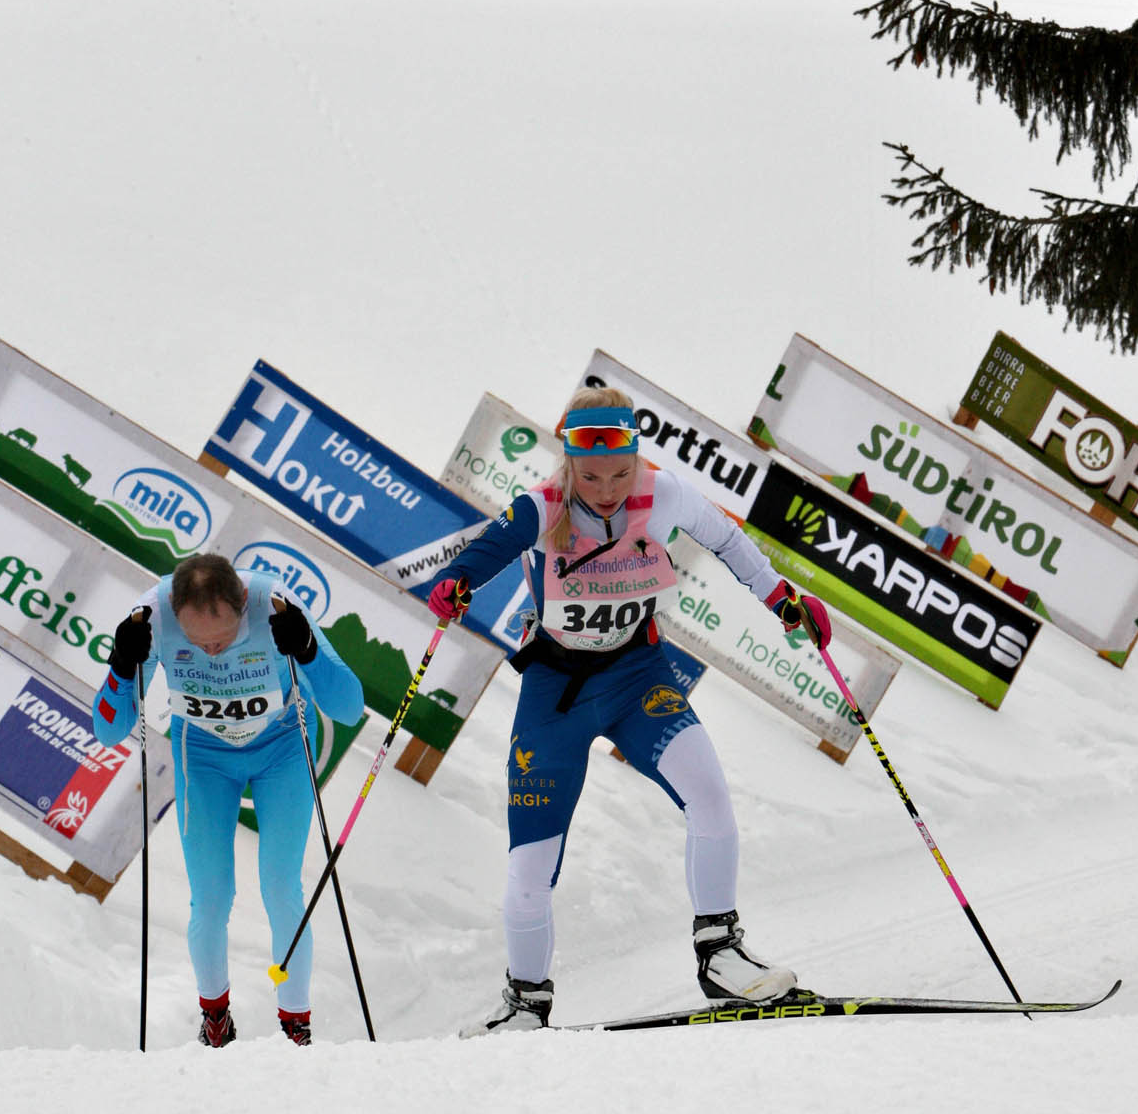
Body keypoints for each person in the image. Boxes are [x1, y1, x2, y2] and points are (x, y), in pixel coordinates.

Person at [428, 386, 832, 1033]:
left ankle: (720, 955)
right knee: (529, 865)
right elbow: (487, 549)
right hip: (554, 696)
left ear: (635, 456)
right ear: (568, 463)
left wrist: (782, 597)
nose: (607, 488)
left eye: (619, 471)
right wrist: (457, 583)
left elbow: (728, 542)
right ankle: (525, 1003)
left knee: (709, 796)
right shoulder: (544, 504)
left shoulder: (663, 493)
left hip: (637, 677)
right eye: (589, 475)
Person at [92, 552, 364, 1048]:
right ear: (176, 612)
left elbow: (347, 706)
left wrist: (306, 649)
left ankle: (295, 1023)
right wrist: (121, 665)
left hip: (280, 749)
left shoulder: (273, 602)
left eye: (222, 638)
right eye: (198, 643)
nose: (212, 652)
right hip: (204, 757)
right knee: (211, 899)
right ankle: (216, 1019)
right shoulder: (150, 617)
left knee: (282, 888)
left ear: (242, 601)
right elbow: (109, 730)